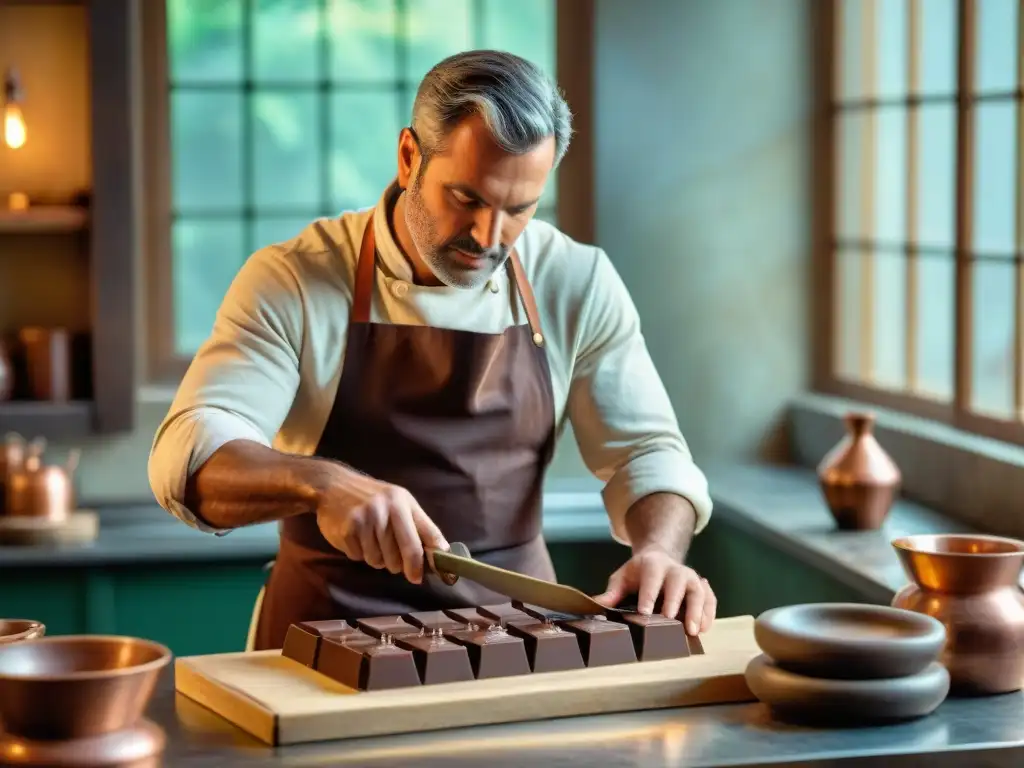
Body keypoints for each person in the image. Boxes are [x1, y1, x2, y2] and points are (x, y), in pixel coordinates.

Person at [148, 50, 717, 651]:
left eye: (518, 209)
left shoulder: (576, 279)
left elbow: (646, 453)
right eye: (467, 198)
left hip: (516, 638)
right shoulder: (295, 279)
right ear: (408, 157)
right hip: (319, 639)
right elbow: (189, 456)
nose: (488, 237)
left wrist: (658, 552)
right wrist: (324, 484)